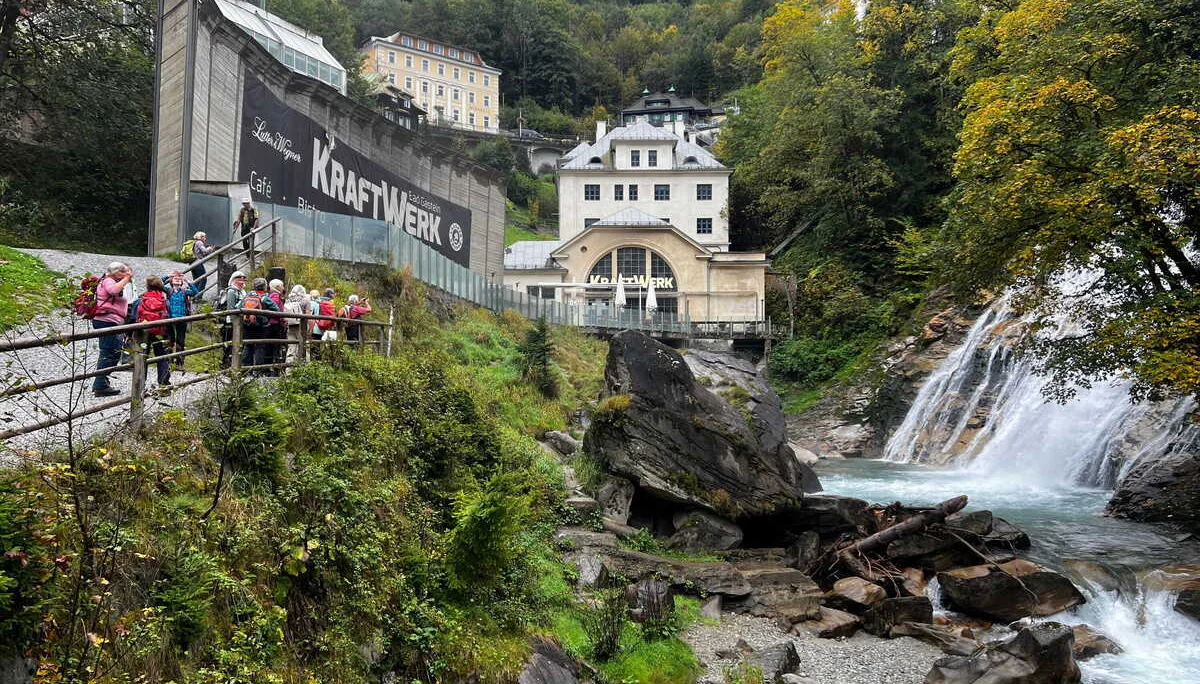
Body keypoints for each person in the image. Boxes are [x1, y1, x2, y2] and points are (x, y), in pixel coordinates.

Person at [91, 262, 133, 396]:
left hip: (112, 322)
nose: (127, 275)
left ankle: (102, 382)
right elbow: (113, 291)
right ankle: (100, 385)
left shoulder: (114, 281)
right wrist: (127, 279)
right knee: (108, 352)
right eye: (124, 272)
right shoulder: (108, 280)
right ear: (116, 272)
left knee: (113, 352)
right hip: (106, 321)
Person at [136, 276, 173, 387]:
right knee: (162, 357)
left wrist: (128, 334)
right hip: (160, 333)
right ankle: (163, 383)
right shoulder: (165, 302)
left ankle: (140, 384)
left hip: (143, 332)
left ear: (147, 286)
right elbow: (169, 319)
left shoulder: (140, 300)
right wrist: (172, 337)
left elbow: (133, 317)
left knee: (142, 355)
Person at [240, 277, 281, 373]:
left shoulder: (247, 296)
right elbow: (277, 310)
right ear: (264, 287)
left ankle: (246, 370)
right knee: (260, 346)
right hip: (261, 326)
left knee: (248, 346)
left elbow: (238, 307)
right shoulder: (264, 298)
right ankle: (258, 371)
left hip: (247, 325)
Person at [163, 271, 200, 371]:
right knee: (170, 340)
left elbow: (196, 292)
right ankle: (169, 363)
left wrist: (187, 281)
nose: (177, 280)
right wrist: (168, 276)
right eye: (175, 279)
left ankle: (180, 363)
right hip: (170, 318)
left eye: (179, 279)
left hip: (182, 319)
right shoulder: (168, 290)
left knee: (180, 341)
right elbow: (159, 284)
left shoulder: (184, 291)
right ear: (171, 281)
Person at [219, 271, 247, 369]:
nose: (242, 281)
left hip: (240, 321)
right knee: (229, 344)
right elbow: (231, 309)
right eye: (240, 279)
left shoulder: (242, 291)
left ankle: (235, 365)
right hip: (230, 322)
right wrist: (243, 301)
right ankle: (226, 364)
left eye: (243, 279)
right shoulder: (231, 291)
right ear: (234, 280)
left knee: (238, 344)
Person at [283, 284, 311, 363]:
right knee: (303, 347)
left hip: (291, 325)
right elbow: (308, 315)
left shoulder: (289, 300)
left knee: (291, 347)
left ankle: (289, 369)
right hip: (302, 327)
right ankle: (303, 367)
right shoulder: (305, 301)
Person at [266, 279, 287, 365]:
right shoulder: (275, 295)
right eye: (282, 285)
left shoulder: (272, 295)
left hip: (272, 323)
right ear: (277, 287)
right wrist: (282, 318)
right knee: (274, 346)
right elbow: (274, 309)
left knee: (271, 345)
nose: (283, 288)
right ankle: (272, 367)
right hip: (274, 324)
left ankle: (270, 366)